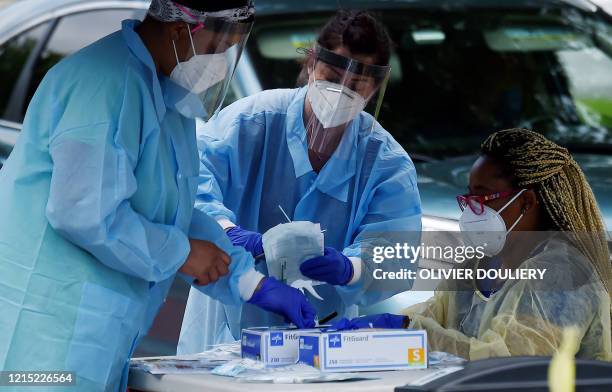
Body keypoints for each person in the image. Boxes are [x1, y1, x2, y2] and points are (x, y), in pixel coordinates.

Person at [0, 1, 315, 391]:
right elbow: (84, 213)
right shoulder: (104, 82)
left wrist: (250, 281)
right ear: (181, 29)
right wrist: (182, 252)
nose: (219, 60)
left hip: (94, 336)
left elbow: (175, 211)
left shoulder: (168, 98)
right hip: (43, 333)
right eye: (218, 47)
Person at [177, 10, 422, 353]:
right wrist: (227, 232)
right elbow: (186, 187)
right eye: (332, 75)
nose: (340, 91)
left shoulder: (385, 164)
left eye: (356, 85)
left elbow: (396, 255)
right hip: (228, 325)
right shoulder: (250, 123)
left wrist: (350, 268)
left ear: (376, 87)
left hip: (322, 336)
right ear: (311, 66)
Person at [338, 129, 612, 360]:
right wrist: (388, 328)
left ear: (526, 202)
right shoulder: (479, 265)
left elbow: (511, 364)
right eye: (468, 199)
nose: (470, 211)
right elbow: (437, 315)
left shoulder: (563, 277)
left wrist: (410, 333)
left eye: (481, 199)